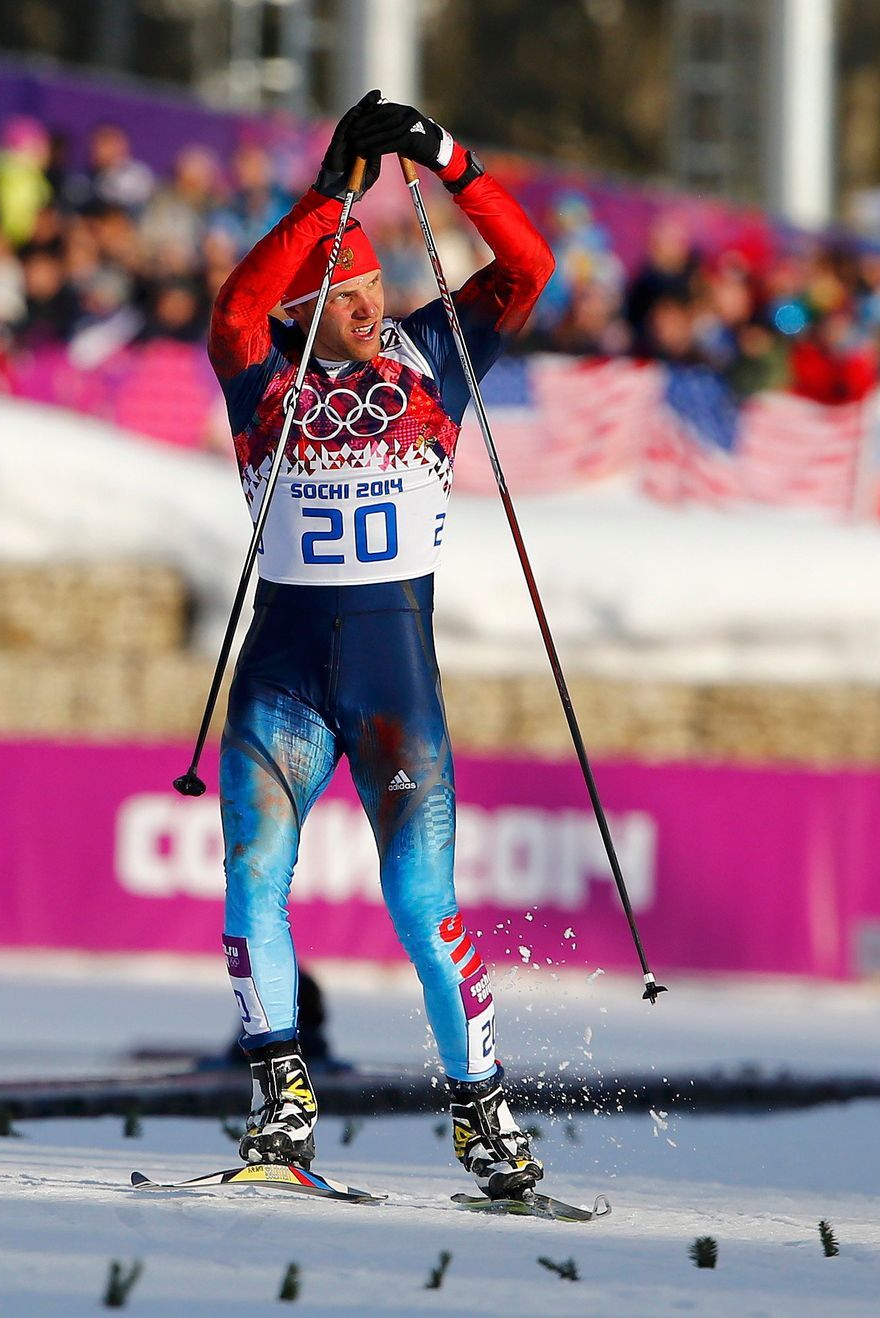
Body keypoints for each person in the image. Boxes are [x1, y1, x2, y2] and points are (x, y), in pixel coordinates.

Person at [204, 92, 556, 1199]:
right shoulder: (262, 381)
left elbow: (530, 264)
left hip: (394, 682)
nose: (366, 309)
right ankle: (280, 1096)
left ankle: (484, 1111)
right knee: (254, 874)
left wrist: (447, 157)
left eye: (370, 288)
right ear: (305, 307)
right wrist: (328, 193)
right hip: (284, 679)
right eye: (340, 297)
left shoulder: (432, 361)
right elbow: (236, 307)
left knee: (419, 901)